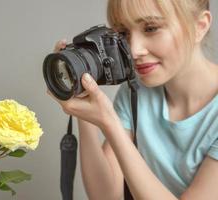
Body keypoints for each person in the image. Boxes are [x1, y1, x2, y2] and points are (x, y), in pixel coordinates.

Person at [48, 0, 218, 199]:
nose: (134, 50)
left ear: (200, 26)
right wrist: (82, 103)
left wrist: (110, 123)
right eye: (123, 34)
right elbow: (105, 196)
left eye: (151, 28)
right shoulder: (136, 92)